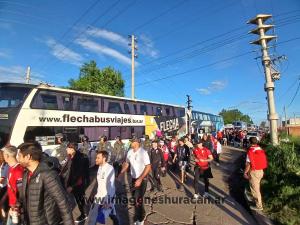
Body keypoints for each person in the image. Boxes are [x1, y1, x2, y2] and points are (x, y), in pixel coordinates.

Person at [17, 142, 74, 225]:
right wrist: (18, 207)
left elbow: (63, 203)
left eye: (19, 156)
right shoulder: (26, 173)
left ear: (28, 157)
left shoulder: (48, 174)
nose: (17, 159)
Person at [118, 138, 151, 225]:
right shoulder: (129, 152)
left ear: (137, 143)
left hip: (142, 179)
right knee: (135, 199)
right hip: (133, 179)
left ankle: (140, 219)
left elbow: (148, 167)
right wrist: (120, 174)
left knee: (137, 199)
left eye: (132, 142)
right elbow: (126, 164)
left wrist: (140, 179)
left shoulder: (143, 152)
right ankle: (140, 213)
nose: (131, 143)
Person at [87, 151, 119, 225]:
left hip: (106, 198)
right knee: (94, 216)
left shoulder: (109, 169)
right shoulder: (100, 167)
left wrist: (107, 200)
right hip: (99, 196)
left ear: (104, 158)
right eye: (96, 158)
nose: (96, 159)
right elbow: (100, 184)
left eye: (98, 158)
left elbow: (110, 187)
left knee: (99, 217)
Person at [60, 142, 89, 223]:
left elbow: (80, 175)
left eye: (68, 148)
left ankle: (84, 214)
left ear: (72, 149)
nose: (66, 149)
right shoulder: (70, 156)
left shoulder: (79, 158)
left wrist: (72, 186)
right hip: (71, 182)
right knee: (76, 199)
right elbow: (66, 169)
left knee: (80, 199)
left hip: (78, 184)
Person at [244, 137, 267, 211]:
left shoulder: (250, 151)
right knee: (257, 188)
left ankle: (259, 206)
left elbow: (248, 164)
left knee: (255, 190)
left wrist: (245, 172)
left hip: (254, 172)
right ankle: (256, 201)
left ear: (250, 143)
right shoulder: (259, 149)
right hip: (261, 171)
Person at [2, 146, 24, 225]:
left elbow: (21, 192)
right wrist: (3, 201)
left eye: (4, 154)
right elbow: (10, 188)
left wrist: (16, 207)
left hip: (17, 210)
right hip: (12, 208)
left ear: (7, 156)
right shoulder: (11, 169)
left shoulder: (18, 170)